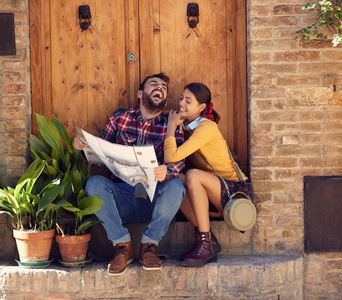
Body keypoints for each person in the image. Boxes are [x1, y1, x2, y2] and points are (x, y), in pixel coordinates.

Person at [74, 73, 185, 275]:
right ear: (140, 93)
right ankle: (122, 245)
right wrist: (84, 148)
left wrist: (166, 171)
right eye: (154, 84)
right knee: (94, 183)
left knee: (176, 186)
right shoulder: (120, 118)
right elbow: (100, 156)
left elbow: (179, 161)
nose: (159, 88)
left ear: (166, 99)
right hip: (121, 197)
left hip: (153, 199)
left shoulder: (171, 125)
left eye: (163, 87)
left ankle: (149, 246)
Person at [164, 82, 253, 267]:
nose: (181, 103)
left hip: (234, 191)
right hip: (213, 191)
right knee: (174, 179)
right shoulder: (189, 127)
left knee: (193, 175)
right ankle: (208, 239)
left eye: (188, 101)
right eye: (181, 98)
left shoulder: (206, 127)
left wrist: (170, 128)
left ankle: (205, 246)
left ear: (201, 107)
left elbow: (171, 157)